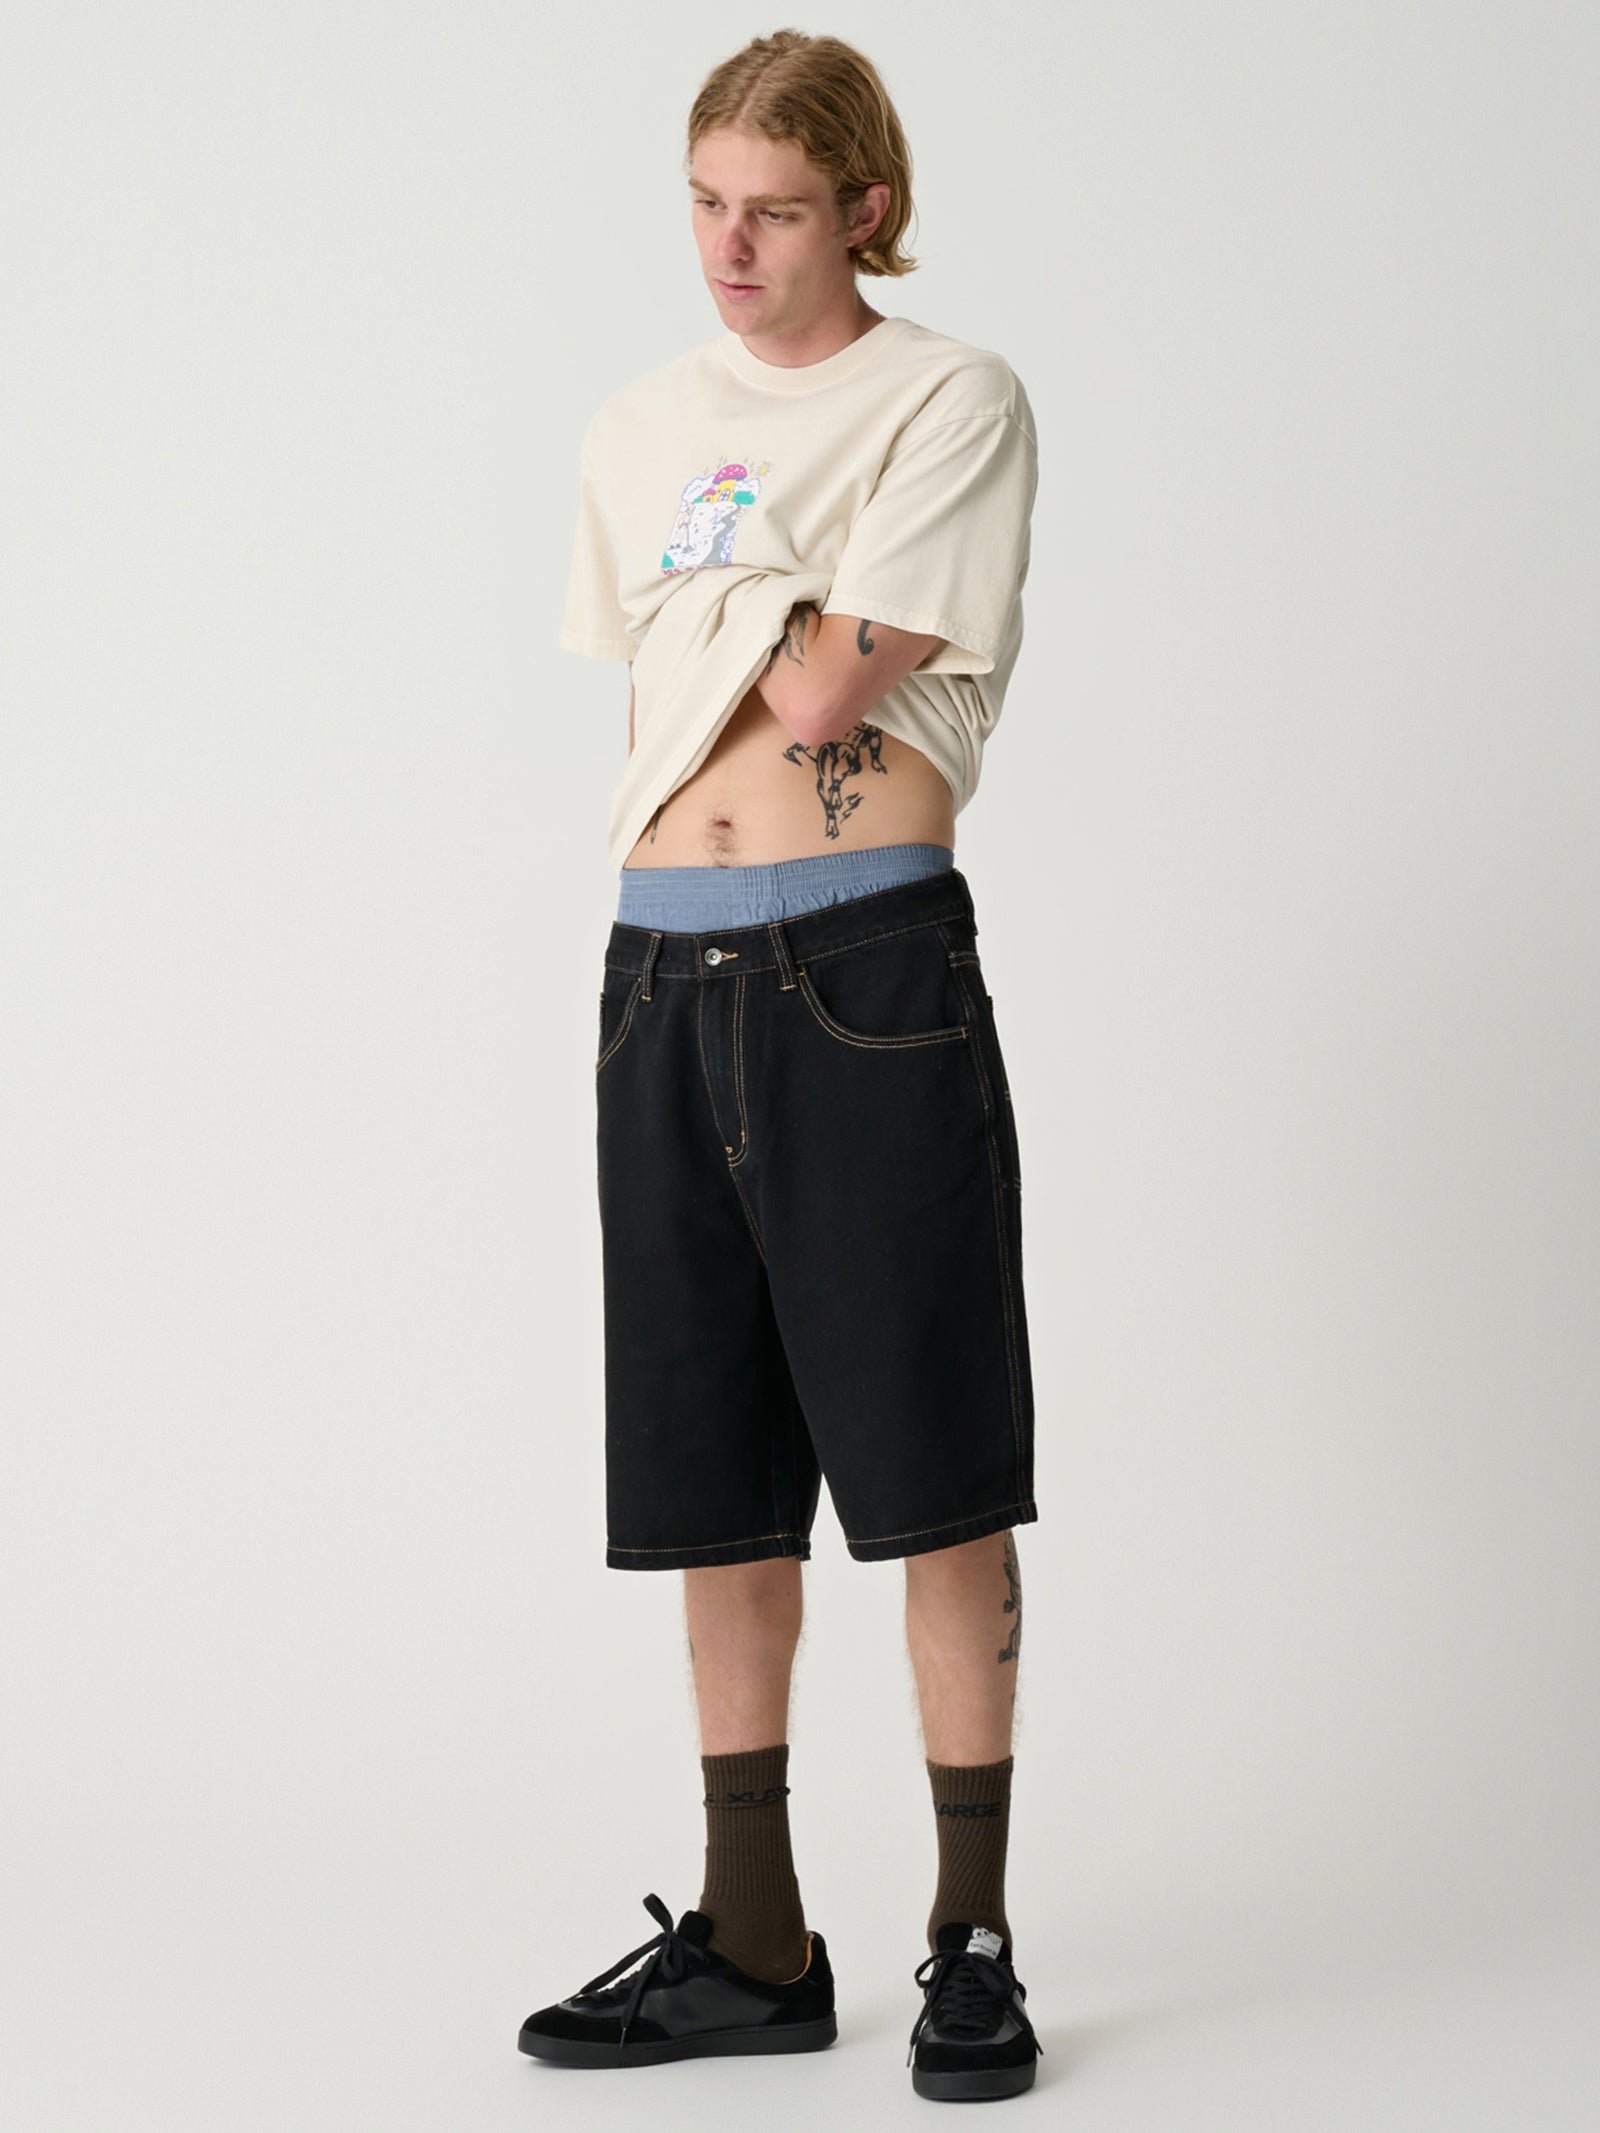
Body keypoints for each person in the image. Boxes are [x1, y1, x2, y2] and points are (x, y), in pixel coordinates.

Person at [518, 30, 1044, 2103]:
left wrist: (761, 609)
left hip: (861, 967)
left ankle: (969, 1938)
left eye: (776, 210)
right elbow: (706, 677)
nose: (729, 248)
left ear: (867, 212)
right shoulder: (637, 423)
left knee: (930, 1467)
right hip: (659, 967)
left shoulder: (948, 399)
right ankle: (752, 1938)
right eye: (705, 205)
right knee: (710, 1479)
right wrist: (789, 600)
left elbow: (827, 689)